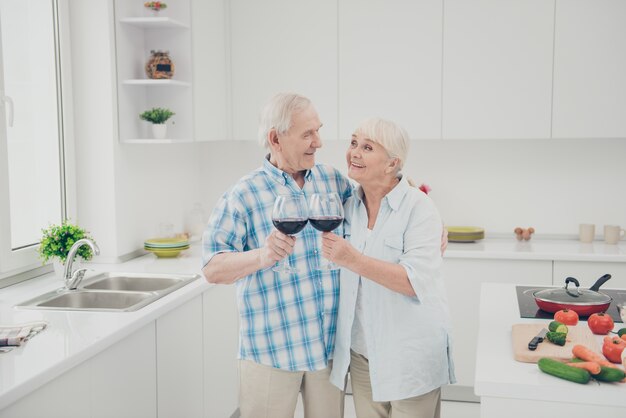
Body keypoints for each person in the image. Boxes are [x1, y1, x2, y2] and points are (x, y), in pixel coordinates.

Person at [201, 92, 353, 418]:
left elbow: (377, 207)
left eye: (318, 130)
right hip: (270, 351)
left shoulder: (332, 181)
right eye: (308, 134)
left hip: (327, 347)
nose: (319, 142)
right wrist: (261, 256)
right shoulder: (243, 194)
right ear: (275, 138)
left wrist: (422, 211)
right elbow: (212, 268)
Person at [324, 117, 456, 418]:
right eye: (354, 142)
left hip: (409, 355)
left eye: (367, 147)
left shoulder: (419, 209)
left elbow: (413, 281)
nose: (354, 152)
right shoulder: (348, 205)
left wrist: (353, 259)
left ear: (391, 163)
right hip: (362, 354)